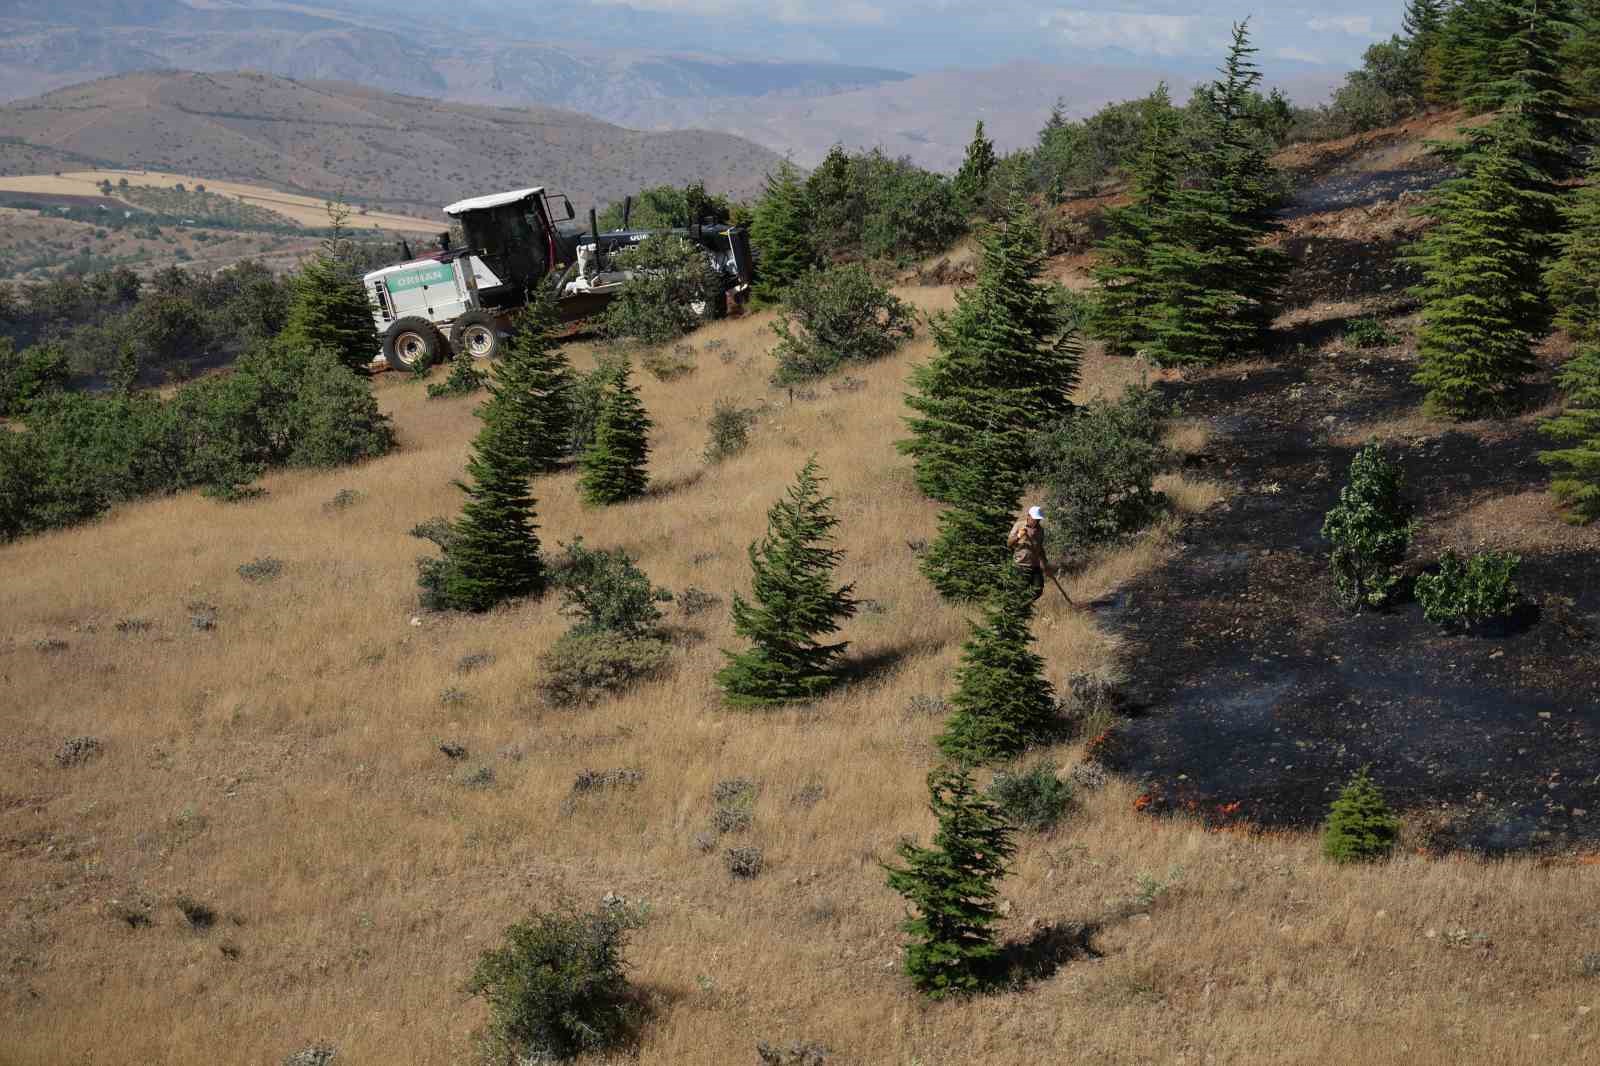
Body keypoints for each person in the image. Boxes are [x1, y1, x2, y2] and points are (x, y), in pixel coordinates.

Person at [1007, 505, 1048, 601]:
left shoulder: (1040, 530)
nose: (1037, 522)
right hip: (1021, 565)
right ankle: (1020, 608)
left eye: (1038, 519)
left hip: (1035, 565)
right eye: (1035, 519)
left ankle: (1025, 604)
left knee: (1038, 590)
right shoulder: (1019, 525)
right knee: (1020, 590)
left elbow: (1040, 547)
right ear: (1028, 516)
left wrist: (1045, 563)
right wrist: (1018, 536)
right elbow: (1009, 543)